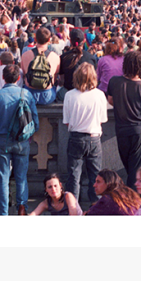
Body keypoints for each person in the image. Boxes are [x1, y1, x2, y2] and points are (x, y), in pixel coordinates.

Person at [0, 63, 39, 215]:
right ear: (19, 78)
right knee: (21, 177)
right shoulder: (26, 94)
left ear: (3, 77)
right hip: (22, 141)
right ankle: (22, 207)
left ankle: (3, 212)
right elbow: (35, 121)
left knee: (3, 177)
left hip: (2, 140)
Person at [107, 50, 141, 189]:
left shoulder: (114, 81)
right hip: (139, 130)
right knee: (136, 170)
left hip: (121, 130)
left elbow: (110, 100)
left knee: (129, 167)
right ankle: (133, 199)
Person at [62, 62, 108, 205]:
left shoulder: (69, 95)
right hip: (94, 137)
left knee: (74, 176)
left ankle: (73, 207)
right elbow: (102, 120)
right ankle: (96, 206)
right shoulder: (100, 95)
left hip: (76, 137)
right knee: (96, 176)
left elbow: (67, 121)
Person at [21, 27, 60, 106]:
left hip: (29, 94)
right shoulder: (55, 57)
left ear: (35, 38)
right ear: (49, 40)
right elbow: (55, 77)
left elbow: (24, 74)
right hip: (47, 96)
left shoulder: (25, 55)